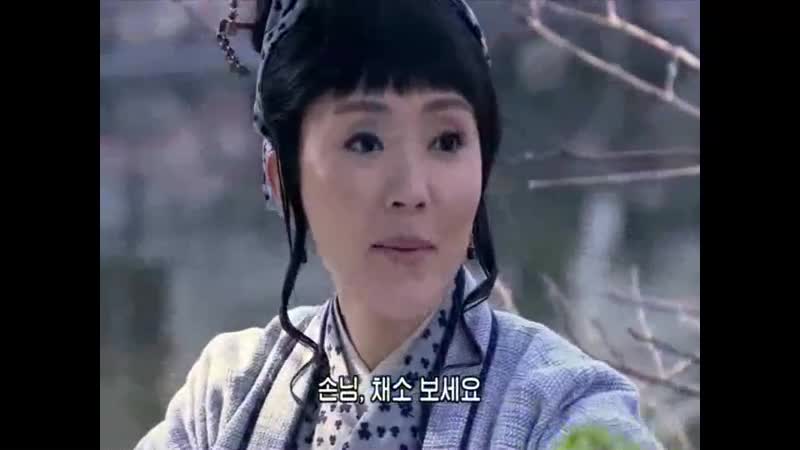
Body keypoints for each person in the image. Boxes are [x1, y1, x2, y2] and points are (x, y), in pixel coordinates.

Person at [136, 0, 664, 449]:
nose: (412, 191)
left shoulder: (563, 411)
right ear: (283, 178)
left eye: (447, 141)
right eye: (365, 142)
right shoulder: (227, 399)